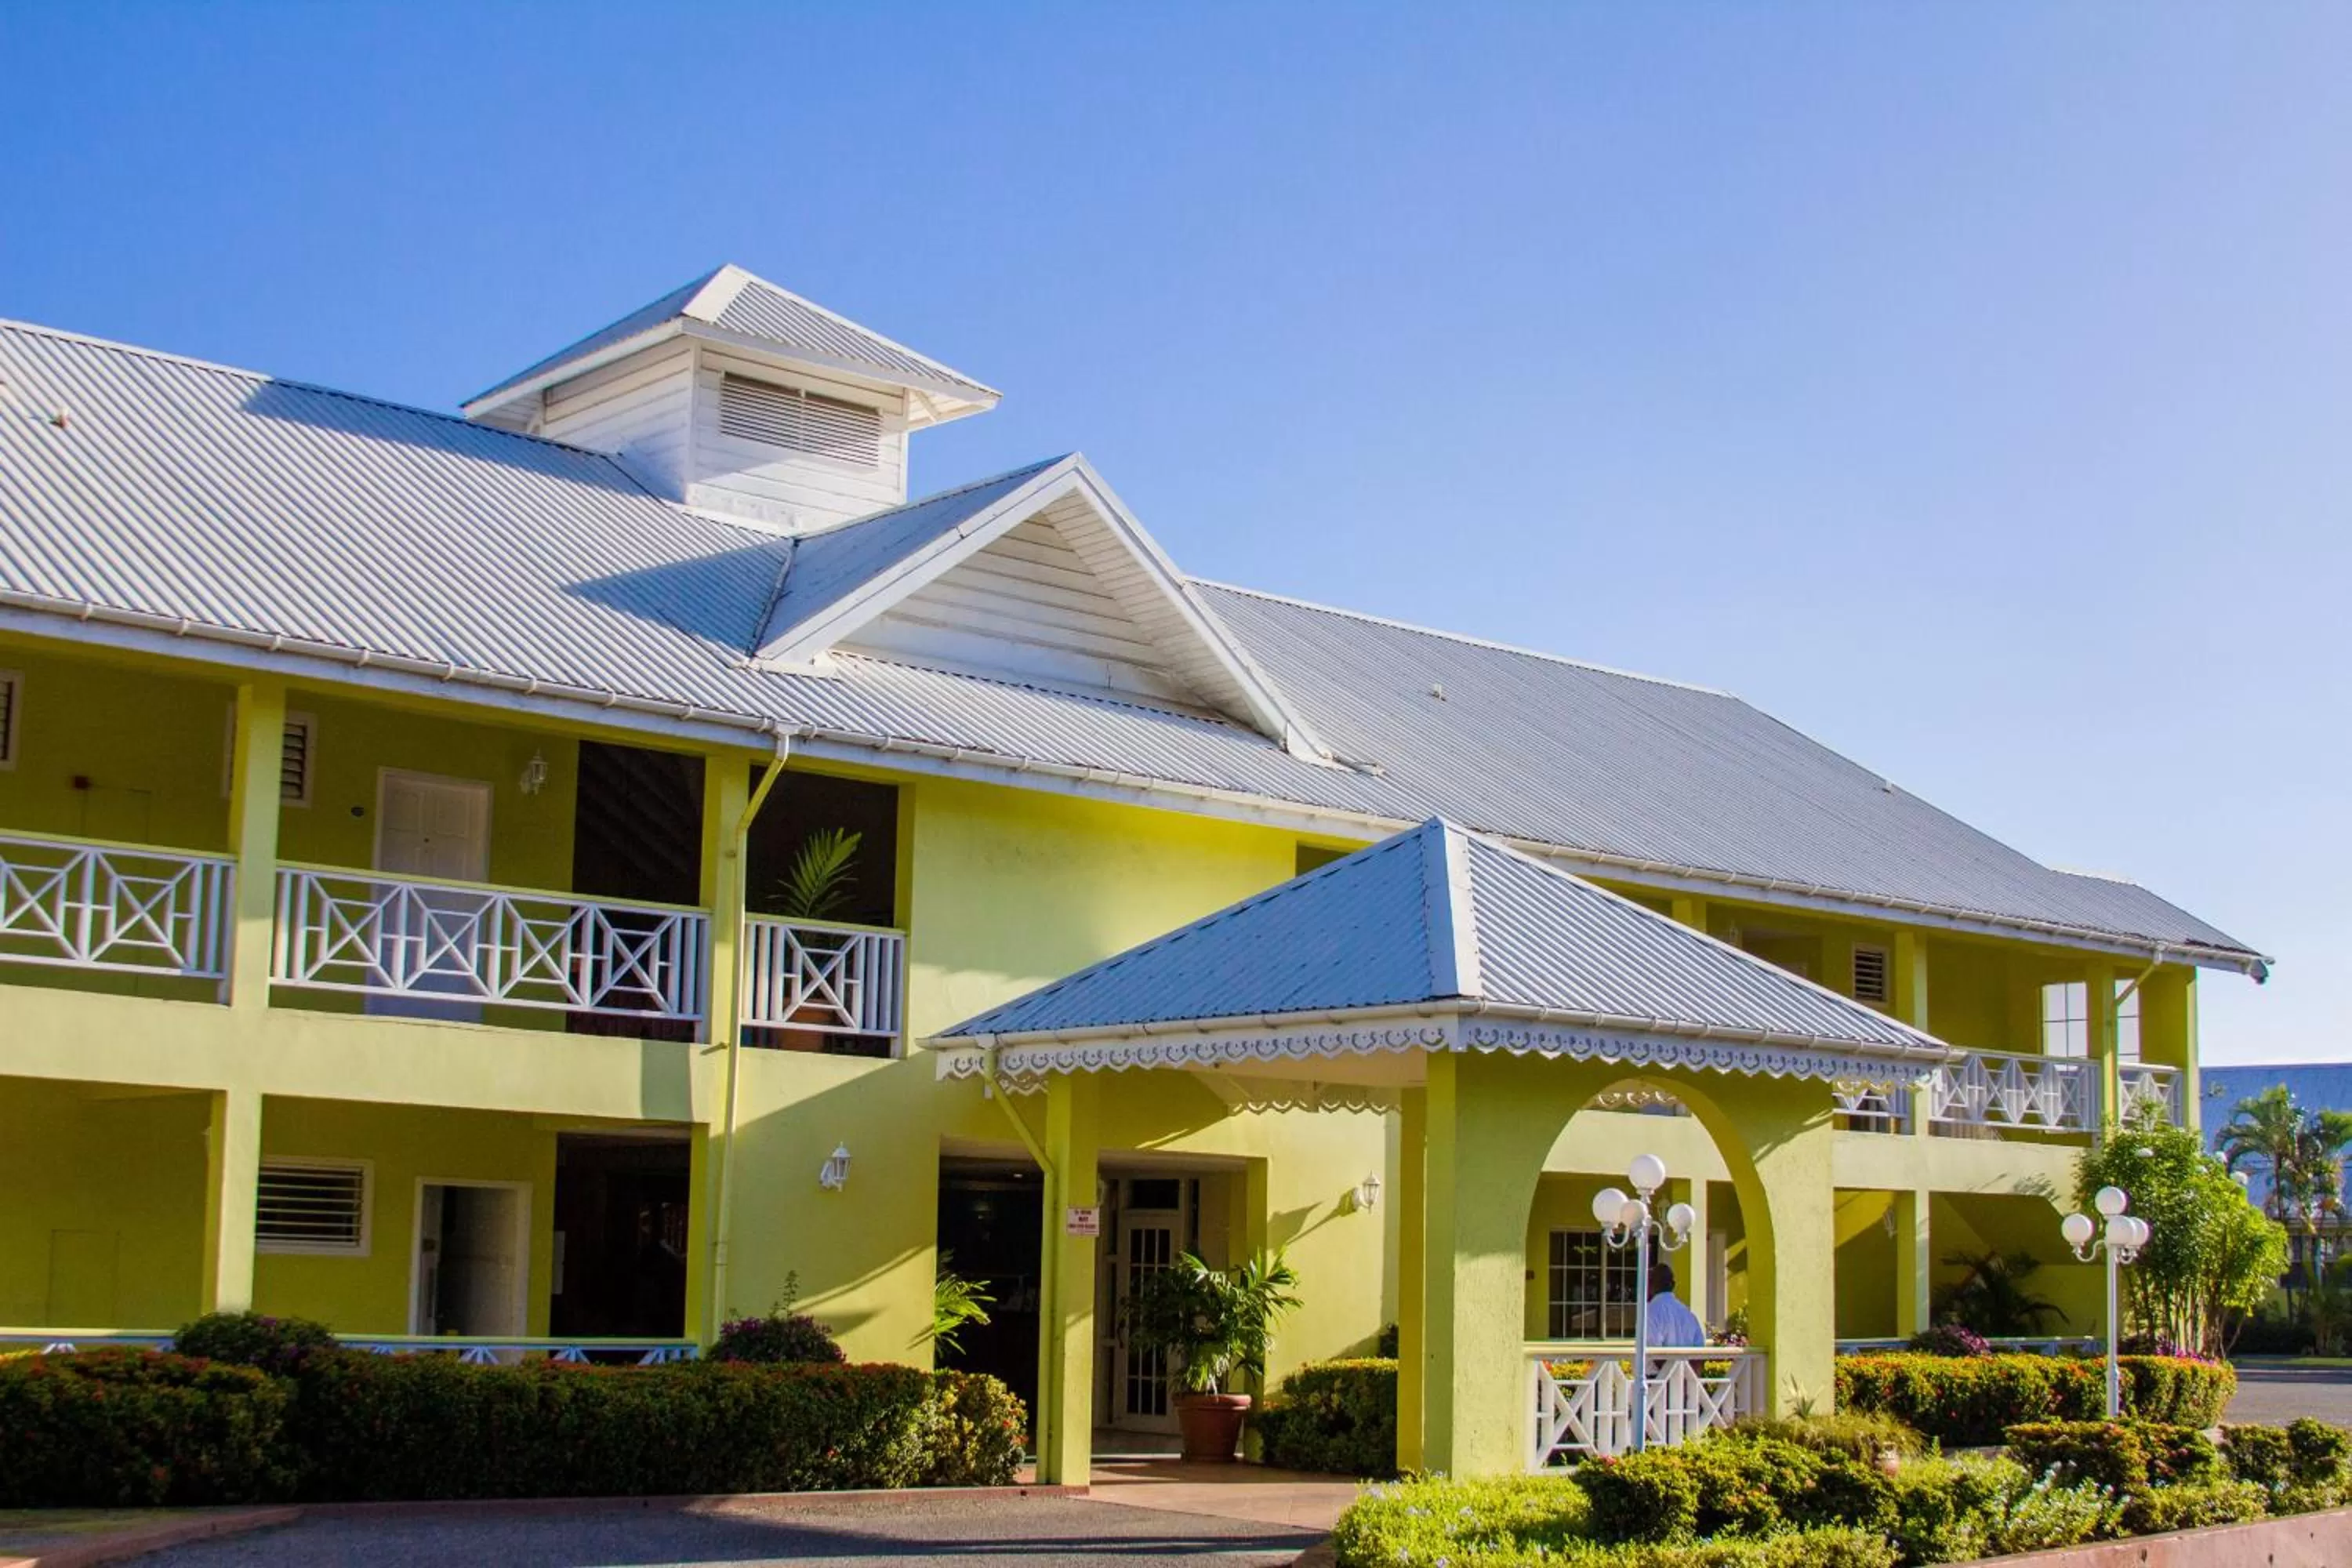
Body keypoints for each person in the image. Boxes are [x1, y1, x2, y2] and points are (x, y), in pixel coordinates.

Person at [1642, 1261, 1706, 1348]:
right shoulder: (1688, 1314)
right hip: (1685, 1360)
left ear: (1650, 1284)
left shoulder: (1650, 1312)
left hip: (1667, 1360)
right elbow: (1699, 1354)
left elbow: (1652, 1353)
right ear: (1673, 1285)